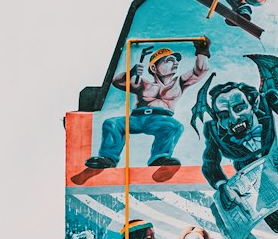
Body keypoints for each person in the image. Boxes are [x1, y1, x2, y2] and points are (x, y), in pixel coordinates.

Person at [87, 39, 211, 170]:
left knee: (174, 126)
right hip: (137, 119)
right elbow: (117, 82)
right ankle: (107, 159)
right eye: (169, 60)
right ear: (153, 68)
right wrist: (131, 73)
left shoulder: (179, 83)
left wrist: (202, 51)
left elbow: (200, 71)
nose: (175, 63)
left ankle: (160, 158)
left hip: (161, 120)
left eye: (176, 61)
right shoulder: (144, 84)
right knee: (112, 123)